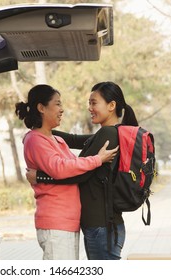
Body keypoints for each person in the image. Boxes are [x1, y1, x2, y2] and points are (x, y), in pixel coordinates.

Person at [26, 81, 139, 260]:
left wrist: (40, 177)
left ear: (111, 106)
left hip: (100, 224)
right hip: (104, 223)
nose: (90, 108)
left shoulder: (107, 135)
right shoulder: (114, 133)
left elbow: (79, 174)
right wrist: (42, 129)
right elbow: (74, 139)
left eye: (94, 103)